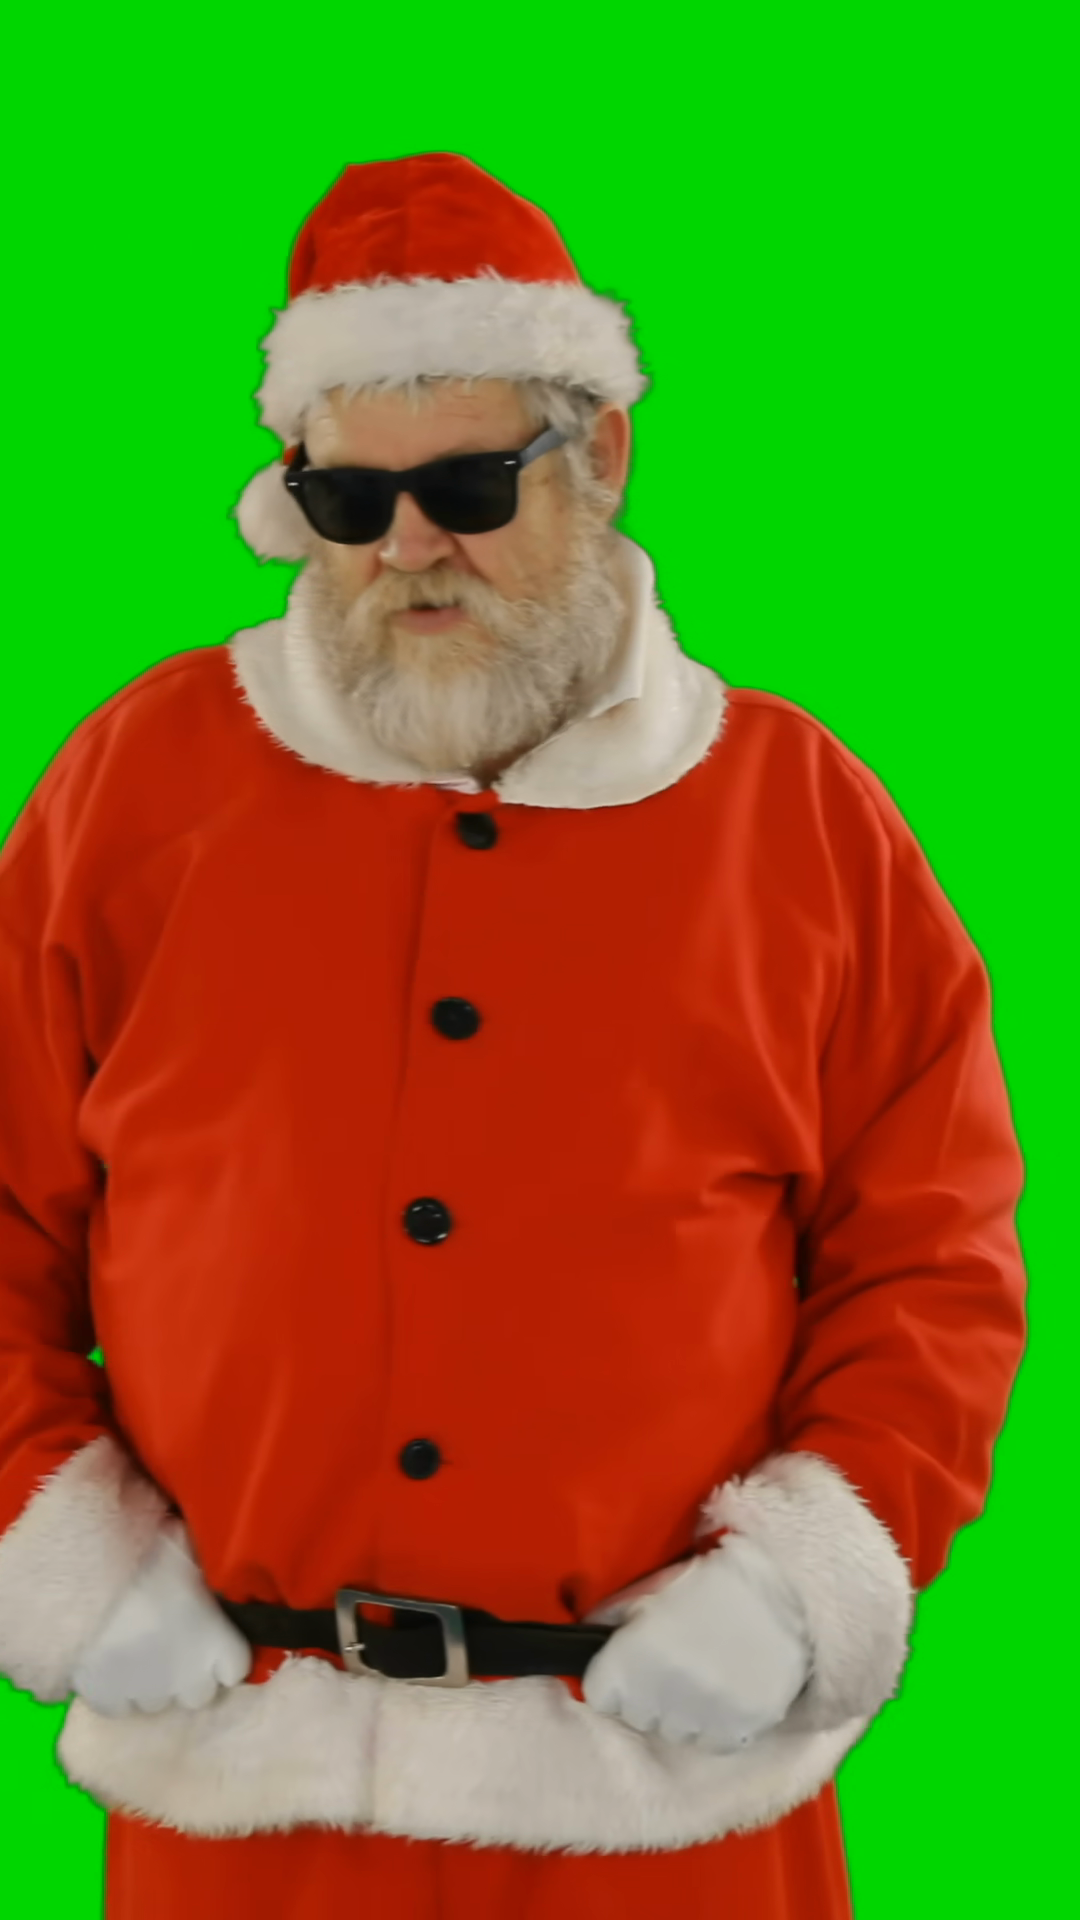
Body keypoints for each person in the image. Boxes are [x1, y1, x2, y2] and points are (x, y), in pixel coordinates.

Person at [0, 154, 1027, 1919]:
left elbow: (932, 1257)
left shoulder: (800, 816)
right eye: (348, 499)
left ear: (601, 455)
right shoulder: (135, 787)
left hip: (675, 1793)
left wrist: (797, 1583)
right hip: (238, 1789)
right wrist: (55, 1532)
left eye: (470, 486)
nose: (410, 547)